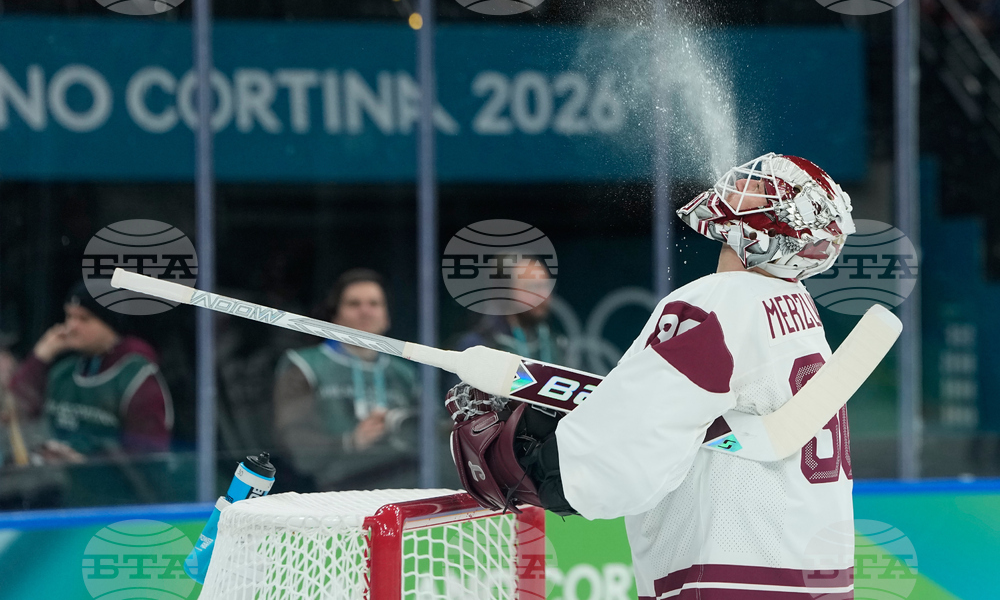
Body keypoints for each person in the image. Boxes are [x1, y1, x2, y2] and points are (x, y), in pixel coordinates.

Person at [447, 153, 858, 598]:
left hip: (731, 578)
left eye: (758, 189)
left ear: (776, 226)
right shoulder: (800, 310)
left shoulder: (716, 301)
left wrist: (531, 465)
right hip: (820, 579)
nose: (742, 184)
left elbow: (626, 456)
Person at [273, 268, 420, 491]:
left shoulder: (404, 373)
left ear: (386, 316)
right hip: (325, 496)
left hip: (403, 490)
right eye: (354, 304)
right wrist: (350, 442)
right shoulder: (303, 366)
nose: (365, 311)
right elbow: (295, 444)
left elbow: (433, 434)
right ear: (335, 315)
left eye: (374, 304)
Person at [8, 283, 173, 459]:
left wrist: (85, 463)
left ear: (108, 324)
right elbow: (15, 411)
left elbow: (149, 457)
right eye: (69, 316)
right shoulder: (63, 372)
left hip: (108, 483)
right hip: (54, 482)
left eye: (84, 319)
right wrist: (41, 355)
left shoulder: (136, 377)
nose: (71, 326)